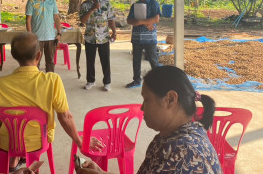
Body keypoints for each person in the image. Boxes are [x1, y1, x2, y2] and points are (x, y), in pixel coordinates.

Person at [75, 66, 223, 174]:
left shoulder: (184, 152)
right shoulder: (172, 137)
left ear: (170, 99)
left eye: (147, 100)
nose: (142, 108)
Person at [0, 32, 102, 171]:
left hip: (6, 142)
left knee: (12, 126)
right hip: (37, 142)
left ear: (14, 55)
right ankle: (19, 158)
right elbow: (65, 116)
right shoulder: (52, 80)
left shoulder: (0, 83)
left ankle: (13, 159)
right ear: (39, 55)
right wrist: (80, 142)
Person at [80, 0, 116, 91]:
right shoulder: (84, 5)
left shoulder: (106, 3)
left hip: (104, 37)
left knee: (105, 61)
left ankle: (107, 82)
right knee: (90, 60)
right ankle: (91, 81)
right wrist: (93, 9)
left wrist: (114, 32)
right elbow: (82, 21)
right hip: (90, 38)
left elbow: (111, 19)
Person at [126, 0, 160, 88]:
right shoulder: (135, 5)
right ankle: (136, 80)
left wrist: (139, 21)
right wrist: (145, 23)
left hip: (149, 38)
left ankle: (159, 83)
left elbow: (156, 19)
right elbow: (129, 20)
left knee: (153, 61)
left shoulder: (153, 3)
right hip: (136, 38)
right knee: (136, 61)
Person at [25, 0, 61, 72]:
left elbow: (56, 18)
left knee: (50, 62)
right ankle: (36, 82)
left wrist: (59, 33)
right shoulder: (31, 2)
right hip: (37, 37)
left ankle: (50, 81)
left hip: (51, 37)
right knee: (35, 62)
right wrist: (30, 35)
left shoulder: (52, 1)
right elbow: (28, 20)